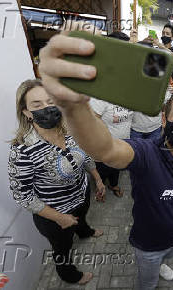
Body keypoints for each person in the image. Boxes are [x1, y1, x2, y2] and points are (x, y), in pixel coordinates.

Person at [37, 28, 173, 289]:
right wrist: (73, 106)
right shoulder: (147, 153)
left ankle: (165, 260)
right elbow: (105, 150)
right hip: (148, 246)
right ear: (164, 119)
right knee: (147, 282)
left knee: (169, 254)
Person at [8, 80, 106, 284]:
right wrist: (60, 218)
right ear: (26, 112)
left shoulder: (69, 128)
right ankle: (69, 275)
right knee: (63, 249)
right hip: (55, 214)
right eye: (37, 104)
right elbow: (22, 196)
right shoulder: (22, 150)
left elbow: (85, 156)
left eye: (50, 101)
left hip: (81, 194)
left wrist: (97, 179)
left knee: (82, 219)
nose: (46, 108)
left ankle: (85, 232)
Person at [90, 97, 132, 198]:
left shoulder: (131, 95)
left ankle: (113, 185)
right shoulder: (101, 98)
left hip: (123, 142)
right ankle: (100, 189)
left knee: (116, 167)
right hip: (105, 145)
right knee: (103, 170)